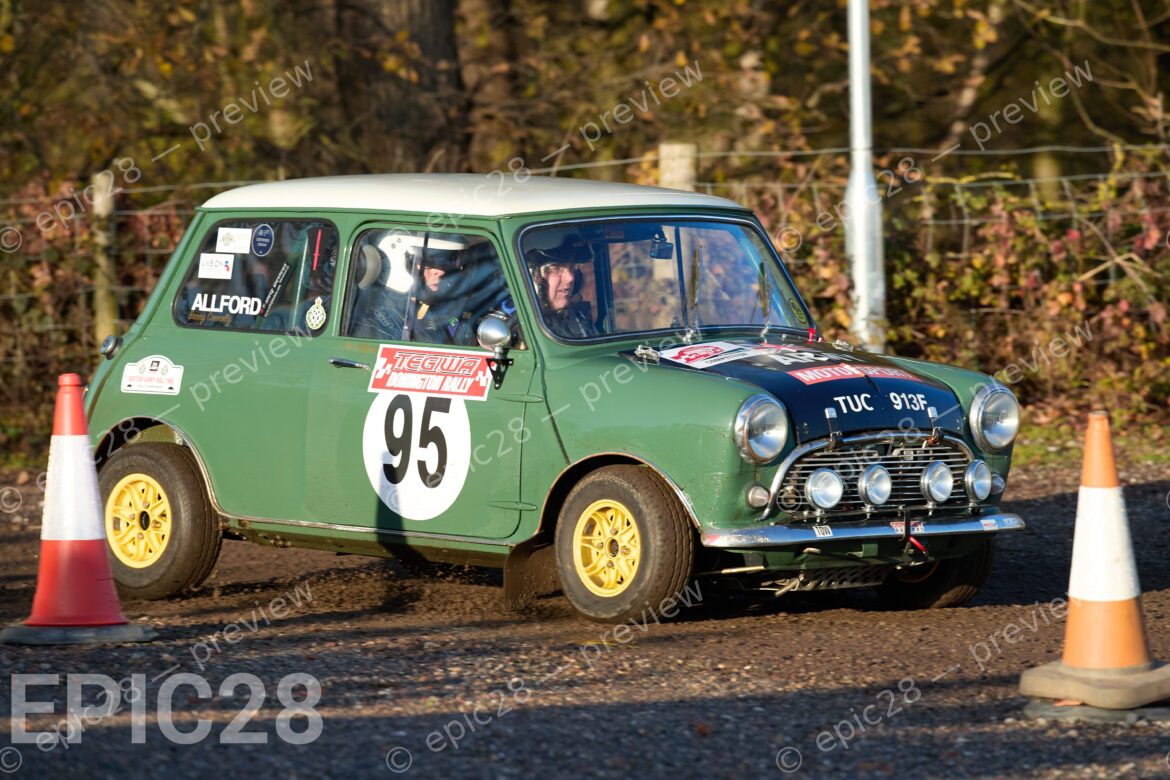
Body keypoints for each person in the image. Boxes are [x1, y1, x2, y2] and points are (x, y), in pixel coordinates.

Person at [527, 234, 597, 339]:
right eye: (555, 268)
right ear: (532, 276)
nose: (570, 278)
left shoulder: (579, 318)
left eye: (573, 267)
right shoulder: (513, 329)